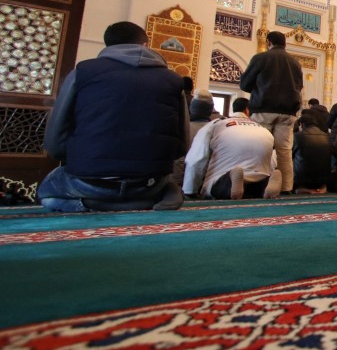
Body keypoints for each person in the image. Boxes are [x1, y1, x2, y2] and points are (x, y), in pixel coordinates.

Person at [38, 21, 188, 212]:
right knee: (160, 184)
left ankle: (91, 204)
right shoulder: (174, 80)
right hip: (150, 183)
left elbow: (54, 143)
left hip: (88, 179)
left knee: (47, 194)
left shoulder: (82, 73)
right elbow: (181, 145)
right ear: (145, 44)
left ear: (107, 46)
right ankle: (157, 197)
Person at [239, 31, 303, 196]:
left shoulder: (261, 58)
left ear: (268, 42)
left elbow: (245, 84)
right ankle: (286, 187)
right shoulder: (295, 63)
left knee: (259, 147)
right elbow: (299, 87)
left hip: (263, 110)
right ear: (284, 44)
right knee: (284, 150)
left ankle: (256, 185)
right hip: (288, 113)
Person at [182, 97, 282, 200]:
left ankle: (229, 178)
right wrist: (272, 170)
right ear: (247, 111)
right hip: (260, 167)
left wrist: (190, 190)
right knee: (256, 185)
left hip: (227, 175)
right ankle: (265, 182)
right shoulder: (261, 128)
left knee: (214, 187)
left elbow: (197, 157)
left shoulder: (216, 123)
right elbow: (272, 159)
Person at [292, 108, 333, 194]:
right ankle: (319, 189)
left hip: (301, 179)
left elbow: (289, 156)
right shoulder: (327, 136)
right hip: (323, 179)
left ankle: (305, 190)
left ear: (301, 125)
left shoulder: (297, 136)